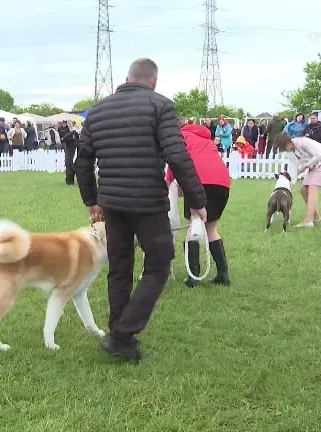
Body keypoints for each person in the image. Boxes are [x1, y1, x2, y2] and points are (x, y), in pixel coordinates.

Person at [75, 58, 207, 361]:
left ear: (126, 79)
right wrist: (197, 200)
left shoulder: (98, 111)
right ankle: (123, 333)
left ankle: (120, 337)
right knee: (159, 263)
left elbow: (82, 161)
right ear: (154, 82)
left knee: (120, 268)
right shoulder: (161, 106)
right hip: (148, 201)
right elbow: (177, 155)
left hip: (112, 202)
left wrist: (91, 200)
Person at [167, 119, 232, 287]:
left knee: (192, 225)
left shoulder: (181, 136)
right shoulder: (206, 140)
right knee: (211, 228)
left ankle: (193, 276)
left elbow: (175, 161)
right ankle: (223, 274)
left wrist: (168, 182)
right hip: (222, 183)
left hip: (197, 181)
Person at [273, 133, 321, 228]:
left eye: (284, 148)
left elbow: (320, 154)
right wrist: (289, 187)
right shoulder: (291, 153)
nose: (284, 150)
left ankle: (308, 221)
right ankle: (316, 218)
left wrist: (306, 165)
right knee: (303, 189)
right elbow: (294, 170)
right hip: (315, 165)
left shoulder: (303, 142)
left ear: (288, 142)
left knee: (312, 187)